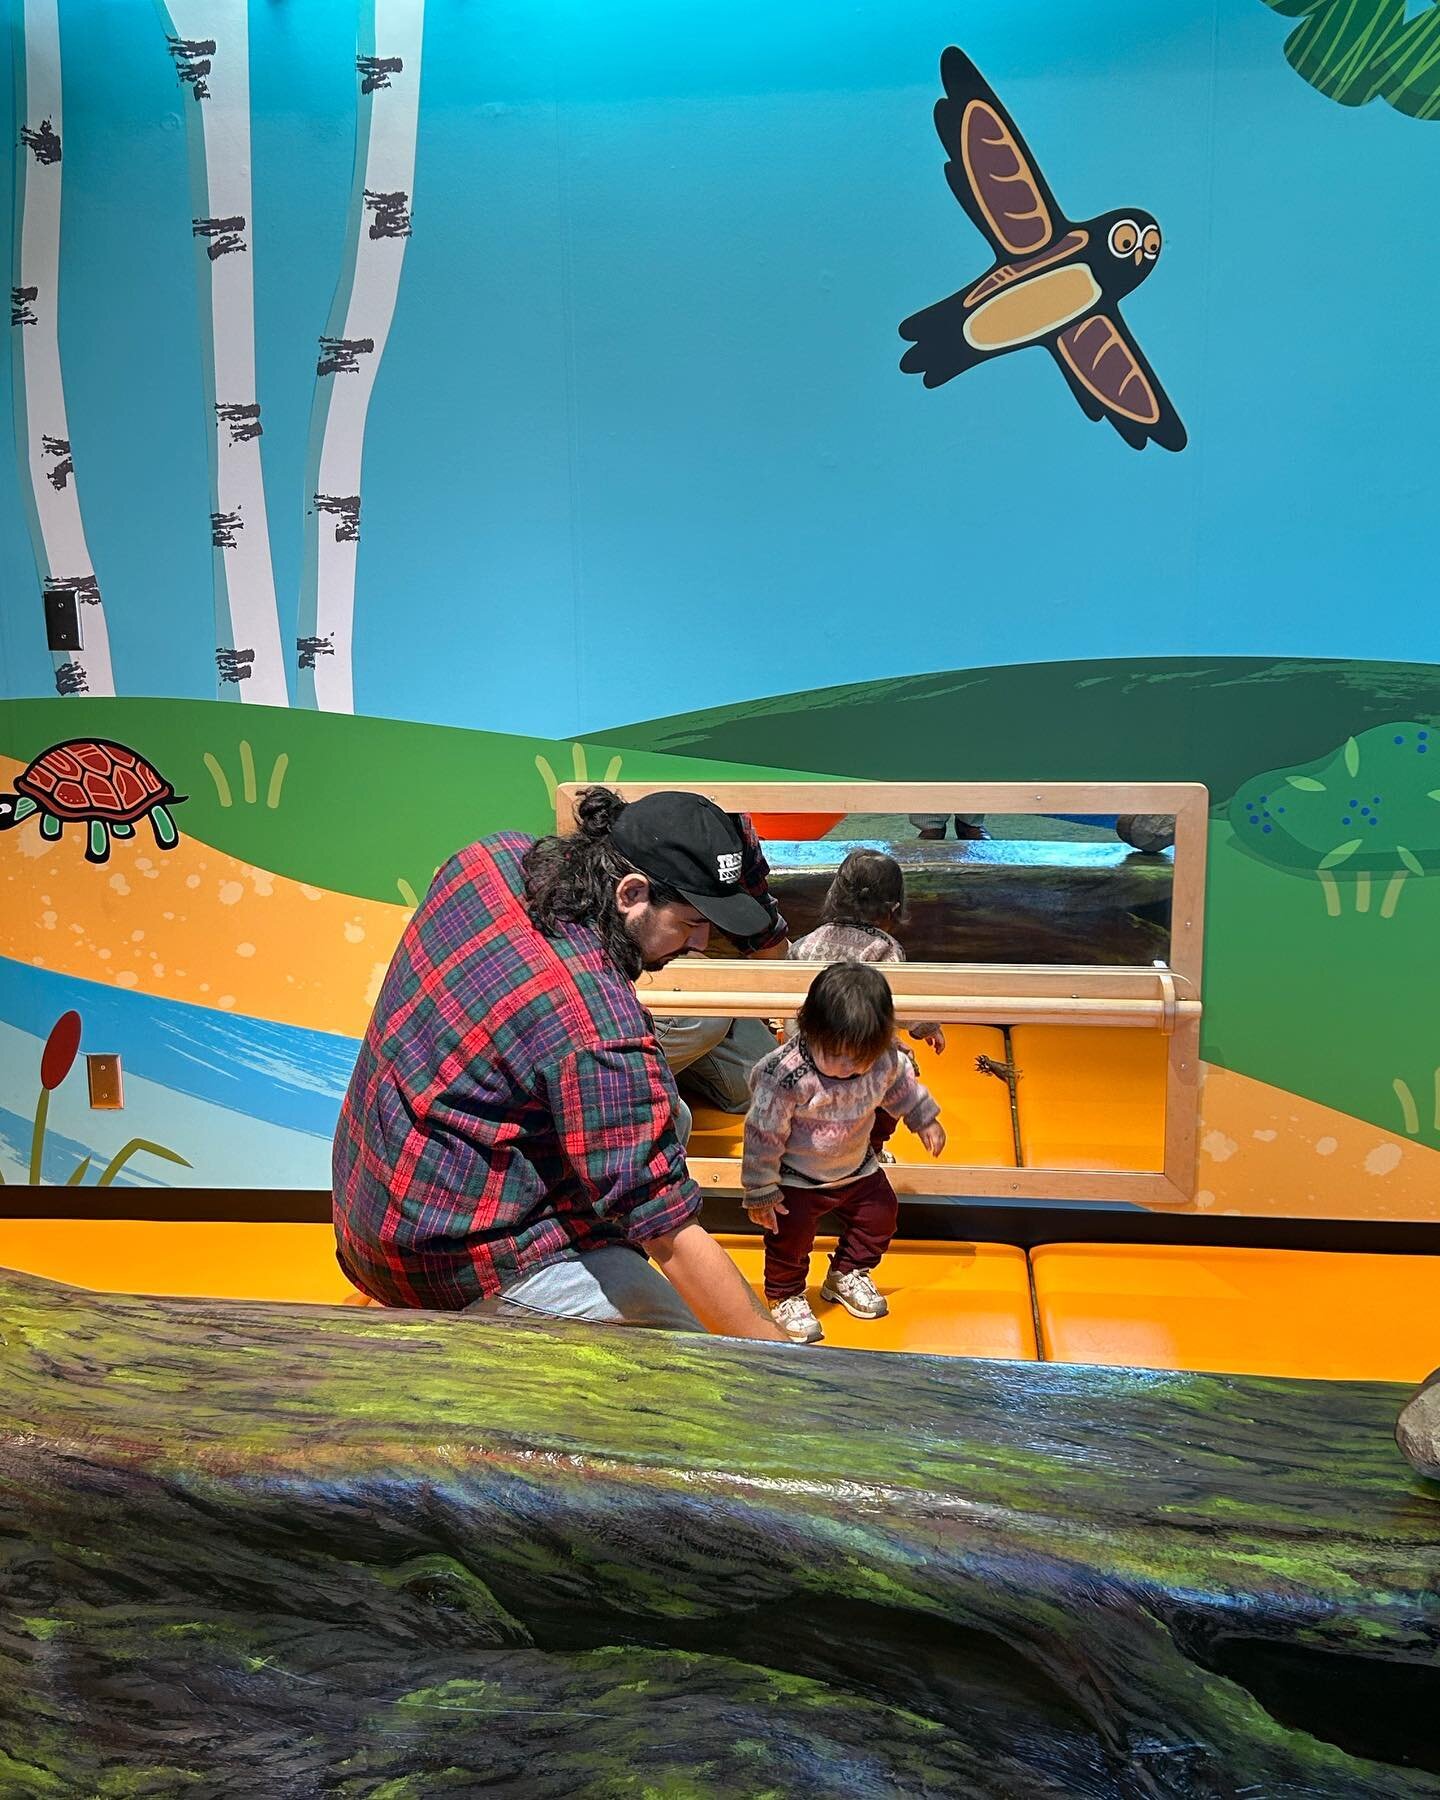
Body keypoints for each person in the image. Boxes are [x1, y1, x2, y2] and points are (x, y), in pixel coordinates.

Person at [332, 786, 788, 1341]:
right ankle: (454, 1325)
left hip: (375, 1196)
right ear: (631, 894)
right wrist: (787, 1369)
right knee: (683, 1345)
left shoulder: (490, 859)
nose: (699, 943)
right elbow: (667, 1229)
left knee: (672, 1116)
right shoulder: (595, 1022)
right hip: (435, 1256)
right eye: (691, 922)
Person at [740, 962, 946, 1343]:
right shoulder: (785, 1074)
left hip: (857, 1167)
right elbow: (762, 1134)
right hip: (796, 1177)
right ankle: (784, 1294)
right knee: (790, 1240)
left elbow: (903, 1088)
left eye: (859, 1057)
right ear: (809, 1028)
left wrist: (924, 1119)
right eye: (835, 1054)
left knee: (881, 1217)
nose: (848, 1068)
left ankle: (847, 1272)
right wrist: (760, 1188)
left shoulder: (882, 1060)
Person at [789, 848, 945, 1158]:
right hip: (862, 1057)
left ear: (836, 895)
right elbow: (899, 1003)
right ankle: (869, 1152)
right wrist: (927, 1027)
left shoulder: (809, 941)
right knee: (897, 1074)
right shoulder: (885, 950)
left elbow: (789, 992)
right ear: (894, 908)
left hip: (809, 1055)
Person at [651, 812, 790, 1114]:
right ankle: (629, 1080)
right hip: (639, 982)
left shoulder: (735, 826)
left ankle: (672, 1066)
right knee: (705, 1015)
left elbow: (769, 937)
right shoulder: (639, 836)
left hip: (701, 982)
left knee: (767, 1085)